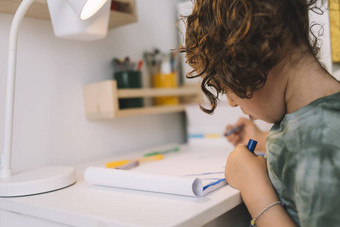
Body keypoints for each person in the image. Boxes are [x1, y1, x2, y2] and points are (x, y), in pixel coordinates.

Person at [180, 0, 340, 226]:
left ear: (254, 57)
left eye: (227, 86)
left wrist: (253, 189)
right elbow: (301, 139)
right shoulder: (317, 123)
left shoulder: (322, 149)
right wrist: (261, 140)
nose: (232, 102)